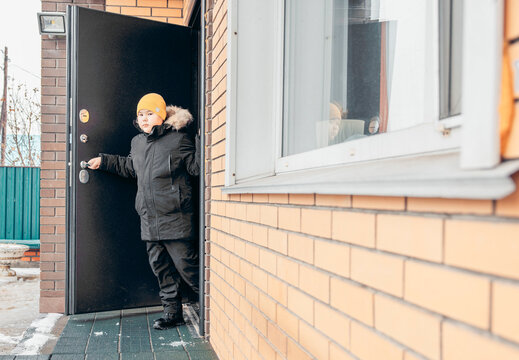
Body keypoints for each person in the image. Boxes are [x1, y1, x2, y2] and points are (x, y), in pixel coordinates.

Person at [87, 93, 200, 330]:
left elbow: (195, 167)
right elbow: (131, 168)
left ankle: (216, 309)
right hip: (149, 218)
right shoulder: (138, 143)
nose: (144, 119)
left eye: (149, 113)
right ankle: (173, 313)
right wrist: (104, 161)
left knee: (188, 267)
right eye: (140, 115)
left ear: (161, 115)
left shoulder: (179, 140)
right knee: (161, 269)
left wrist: (204, 141)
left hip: (175, 217)